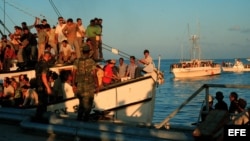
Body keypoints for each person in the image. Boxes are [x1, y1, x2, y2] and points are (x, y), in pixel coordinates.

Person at [72, 45, 97, 121]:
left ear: (82, 52)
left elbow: (74, 73)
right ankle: (86, 117)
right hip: (89, 84)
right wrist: (97, 84)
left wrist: (73, 84)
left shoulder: (77, 61)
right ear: (89, 52)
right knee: (89, 101)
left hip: (79, 84)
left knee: (81, 101)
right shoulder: (92, 61)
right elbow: (94, 74)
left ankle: (79, 117)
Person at [34, 51, 52, 120]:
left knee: (40, 102)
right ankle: (41, 119)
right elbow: (43, 76)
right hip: (42, 85)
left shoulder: (38, 63)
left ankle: (38, 117)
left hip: (38, 84)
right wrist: (48, 87)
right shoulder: (45, 65)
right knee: (43, 104)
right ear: (49, 57)